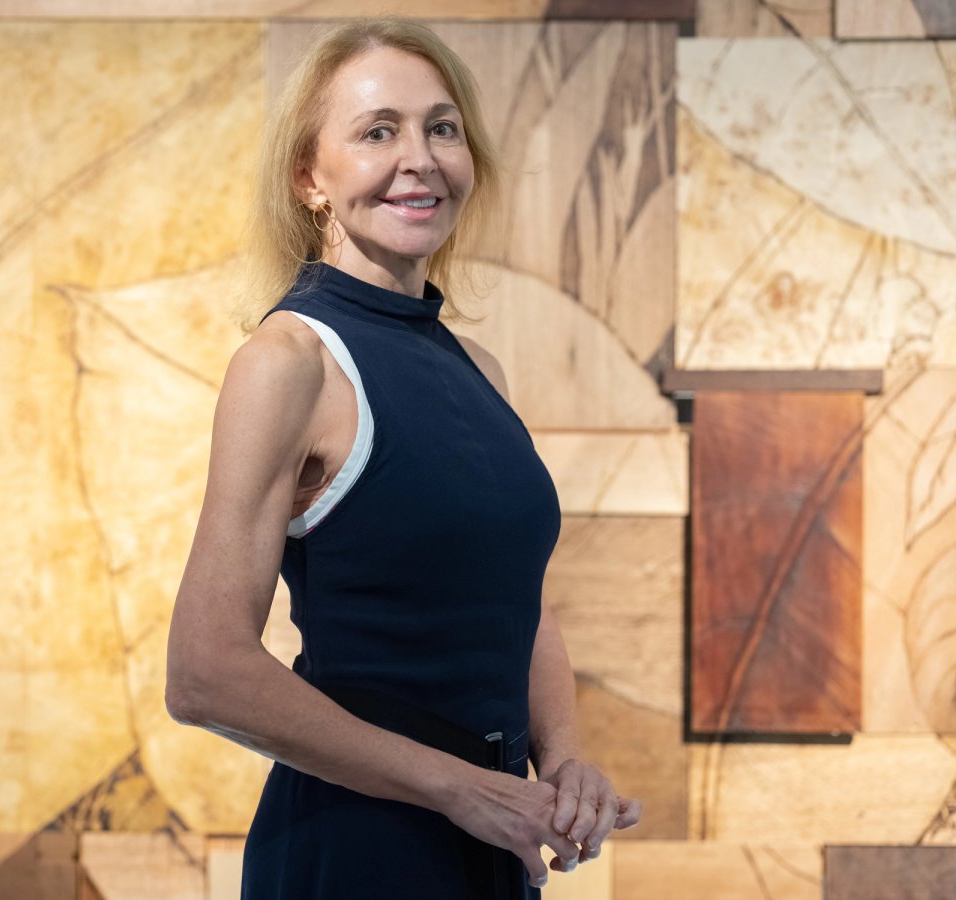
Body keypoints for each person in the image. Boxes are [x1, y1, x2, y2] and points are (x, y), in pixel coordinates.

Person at [165, 17, 641, 899]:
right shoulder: (289, 363)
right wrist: (465, 790)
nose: (418, 156)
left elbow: (518, 603)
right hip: (357, 850)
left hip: (493, 842)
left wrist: (565, 765)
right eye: (377, 131)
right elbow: (204, 673)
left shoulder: (479, 369)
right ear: (310, 176)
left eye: (442, 127)